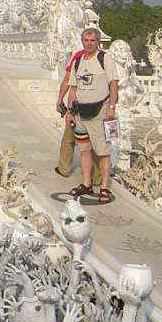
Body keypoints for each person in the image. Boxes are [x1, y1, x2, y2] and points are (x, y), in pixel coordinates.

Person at [65, 27, 119, 203]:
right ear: (82, 42)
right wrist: (69, 112)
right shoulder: (78, 61)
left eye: (92, 41)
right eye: (86, 41)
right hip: (81, 112)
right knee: (84, 150)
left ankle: (104, 187)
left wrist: (112, 106)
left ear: (98, 42)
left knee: (103, 151)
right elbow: (73, 88)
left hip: (100, 112)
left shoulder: (105, 59)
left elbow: (113, 84)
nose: (89, 44)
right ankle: (87, 183)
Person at [55, 47, 102, 186]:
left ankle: (64, 168)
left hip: (81, 107)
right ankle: (97, 178)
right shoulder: (103, 58)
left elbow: (67, 81)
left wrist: (60, 100)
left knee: (69, 138)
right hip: (95, 106)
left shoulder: (79, 56)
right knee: (95, 142)